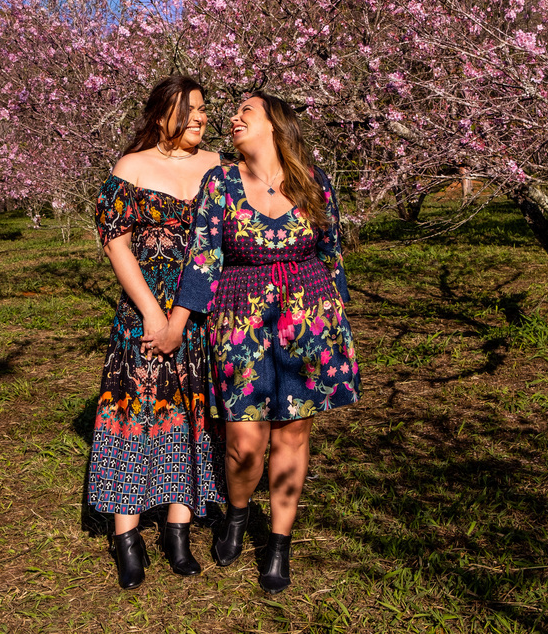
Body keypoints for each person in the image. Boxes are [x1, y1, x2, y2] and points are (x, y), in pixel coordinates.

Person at [147, 91, 360, 594]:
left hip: (309, 318)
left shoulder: (313, 181)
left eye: (247, 110)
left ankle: (279, 544)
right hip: (240, 318)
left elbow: (331, 251)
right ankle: (238, 513)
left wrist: (337, 318)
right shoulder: (220, 182)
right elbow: (203, 259)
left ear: (274, 124)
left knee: (293, 434)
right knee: (245, 442)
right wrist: (177, 323)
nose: (233, 117)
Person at [89, 75, 225, 589]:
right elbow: (116, 243)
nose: (200, 117)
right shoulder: (132, 166)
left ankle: (177, 532)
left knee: (191, 411)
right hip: (143, 307)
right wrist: (151, 312)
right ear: (162, 113)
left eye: (204, 108)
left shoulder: (218, 166)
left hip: (200, 310)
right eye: (190, 109)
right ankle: (126, 538)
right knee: (135, 409)